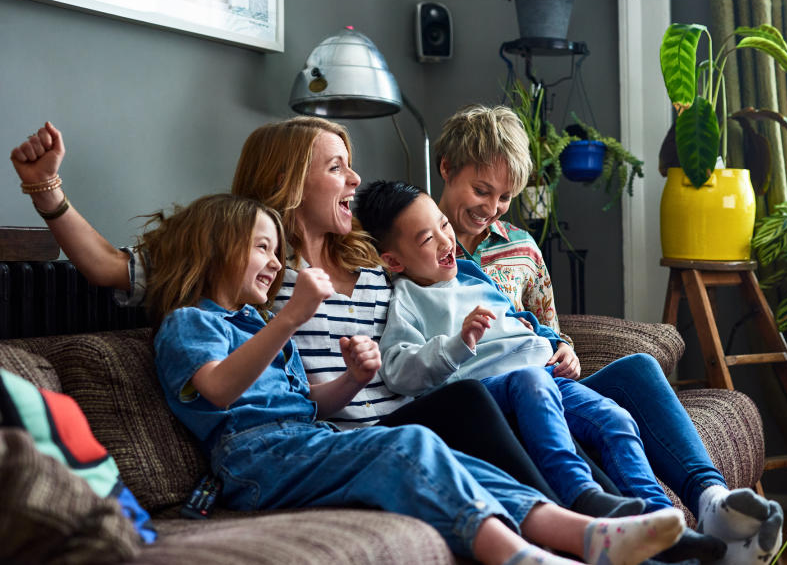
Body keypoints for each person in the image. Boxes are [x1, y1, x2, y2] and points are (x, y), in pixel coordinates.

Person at [9, 119, 558, 503]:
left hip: (411, 405)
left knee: (507, 391)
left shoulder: (371, 253)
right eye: (338, 168)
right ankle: (568, 518)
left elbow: (453, 276)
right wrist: (47, 190)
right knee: (471, 402)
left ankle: (576, 512)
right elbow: (109, 268)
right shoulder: (249, 267)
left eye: (351, 167)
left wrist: (543, 333)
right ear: (292, 179)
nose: (355, 181)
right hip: (343, 434)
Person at [141, 192, 687, 565]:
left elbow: (307, 404)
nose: (273, 261)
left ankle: (587, 535)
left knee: (461, 462)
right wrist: (289, 320)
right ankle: (517, 555)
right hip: (253, 462)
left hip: (305, 440)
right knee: (412, 444)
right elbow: (216, 389)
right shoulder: (190, 323)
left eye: (274, 248)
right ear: (215, 248)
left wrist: (352, 380)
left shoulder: (253, 325)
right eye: (261, 247)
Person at [432, 105, 784, 565]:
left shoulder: (520, 245)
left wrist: (566, 351)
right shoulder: (415, 244)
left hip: (546, 380)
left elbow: (549, 328)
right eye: (481, 190)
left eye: (504, 197)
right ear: (446, 168)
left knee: (638, 367)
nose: (491, 207)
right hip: (493, 395)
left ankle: (711, 500)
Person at [355, 179, 654, 519]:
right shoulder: (408, 299)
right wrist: (458, 344)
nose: (444, 240)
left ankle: (659, 515)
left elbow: (520, 318)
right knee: (532, 381)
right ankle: (580, 494)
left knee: (615, 418)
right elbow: (397, 368)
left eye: (442, 225)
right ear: (394, 262)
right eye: (426, 239)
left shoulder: (472, 276)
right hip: (497, 387)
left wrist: (555, 343)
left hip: (546, 374)